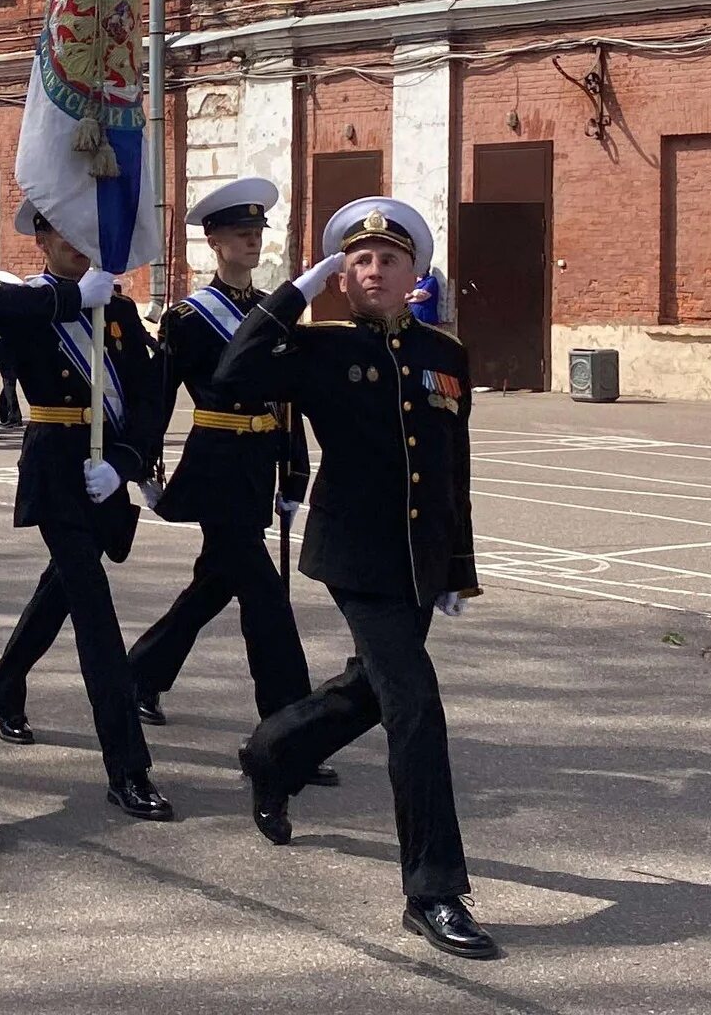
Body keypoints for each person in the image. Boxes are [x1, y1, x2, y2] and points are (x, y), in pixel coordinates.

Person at [217, 195, 495, 962]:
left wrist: (458, 567)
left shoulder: (446, 354)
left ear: (415, 273)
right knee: (416, 706)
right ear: (344, 273)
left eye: (390, 259)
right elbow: (232, 373)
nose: (375, 270)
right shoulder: (317, 346)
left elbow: (453, 469)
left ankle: (272, 753)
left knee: (372, 689)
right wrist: (294, 294)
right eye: (360, 260)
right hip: (357, 555)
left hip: (422, 556)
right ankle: (433, 890)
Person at [0, 198, 175, 822]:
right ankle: (128, 766)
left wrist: (129, 461)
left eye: (88, 230)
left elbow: (148, 395)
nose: (78, 242)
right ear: (40, 235)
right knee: (94, 611)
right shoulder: (31, 301)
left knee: (65, 584)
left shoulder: (116, 309)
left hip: (103, 467)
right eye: (64, 230)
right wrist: (72, 298)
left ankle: (4, 681)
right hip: (56, 468)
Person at [127, 179, 325, 765]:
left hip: (259, 466)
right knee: (265, 596)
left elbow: (286, 403)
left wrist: (294, 474)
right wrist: (142, 463)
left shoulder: (273, 310)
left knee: (215, 585)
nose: (251, 239)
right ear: (212, 241)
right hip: (214, 465)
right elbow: (160, 396)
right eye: (239, 232)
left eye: (257, 231)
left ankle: (138, 674)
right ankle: (290, 728)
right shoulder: (189, 317)